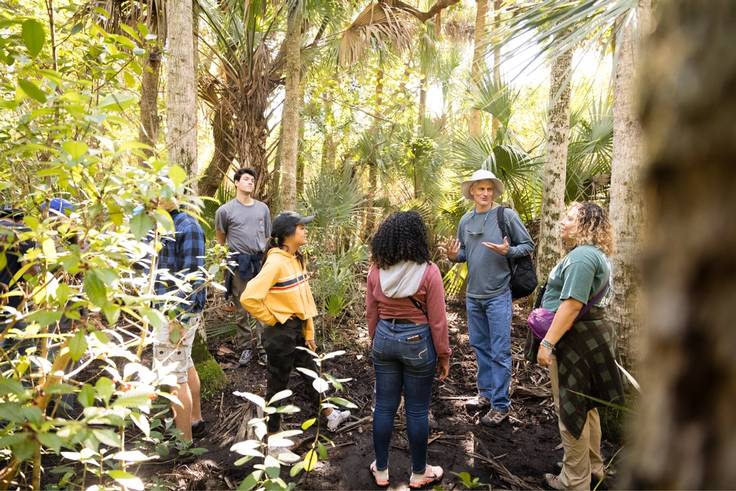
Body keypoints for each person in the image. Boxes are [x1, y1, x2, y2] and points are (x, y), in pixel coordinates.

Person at [241, 211, 350, 458]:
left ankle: (329, 414)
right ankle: (274, 438)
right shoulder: (276, 262)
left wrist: (309, 331)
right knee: (277, 383)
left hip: (298, 329)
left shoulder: (295, 259)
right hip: (280, 333)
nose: (306, 231)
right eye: (301, 227)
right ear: (287, 234)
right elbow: (249, 298)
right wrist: (274, 318)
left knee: (312, 370)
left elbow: (305, 298)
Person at [536, 202, 624, 490]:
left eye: (571, 218)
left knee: (571, 407)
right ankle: (592, 467)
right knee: (587, 407)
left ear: (587, 225)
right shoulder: (592, 254)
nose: (563, 221)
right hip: (589, 337)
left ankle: (574, 481)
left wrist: (547, 343)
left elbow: (572, 305)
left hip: (576, 341)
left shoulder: (583, 257)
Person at [366, 211, 451, 489]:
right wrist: (443, 355)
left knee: (384, 407)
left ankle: (380, 470)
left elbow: (371, 313)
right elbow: (438, 320)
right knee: (416, 410)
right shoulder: (429, 271)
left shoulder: (376, 271)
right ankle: (418, 473)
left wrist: (375, 341)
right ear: (417, 238)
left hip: (384, 339)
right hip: (417, 342)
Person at [447, 169, 534, 425]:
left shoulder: (506, 216)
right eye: (480, 189)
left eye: (489, 189)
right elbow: (465, 253)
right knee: (480, 347)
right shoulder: (466, 220)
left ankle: (500, 405)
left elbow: (527, 245)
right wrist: (454, 257)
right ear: (472, 191)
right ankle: (484, 394)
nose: (485, 193)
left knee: (499, 351)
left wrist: (508, 251)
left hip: (499, 294)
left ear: (494, 192)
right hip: (473, 296)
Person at [150, 198, 207, 442]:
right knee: (185, 364)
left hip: (175, 315)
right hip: (163, 310)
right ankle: (195, 420)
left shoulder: (187, 226)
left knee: (174, 377)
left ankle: (185, 444)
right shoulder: (160, 227)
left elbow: (193, 279)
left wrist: (177, 319)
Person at [215, 167, 271, 366]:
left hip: (259, 262)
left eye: (252, 180)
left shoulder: (262, 209)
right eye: (246, 179)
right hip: (238, 264)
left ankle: (264, 349)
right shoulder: (225, 210)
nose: (250, 182)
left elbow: (267, 235)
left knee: (262, 305)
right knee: (242, 307)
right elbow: (220, 239)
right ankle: (246, 347)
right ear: (236, 183)